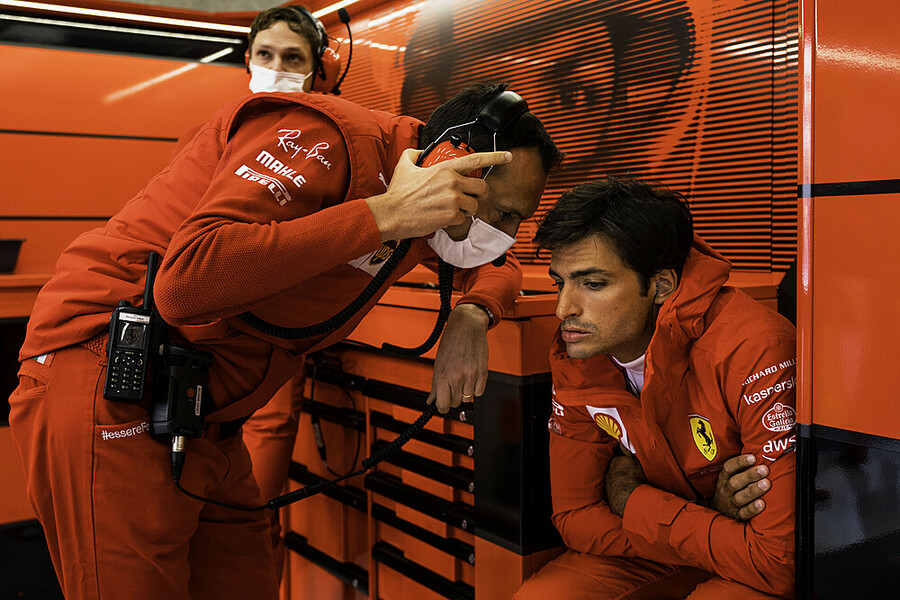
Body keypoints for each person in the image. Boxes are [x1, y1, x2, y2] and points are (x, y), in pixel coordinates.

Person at [7, 79, 562, 600]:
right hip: (113, 375)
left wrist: (473, 314)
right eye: (503, 215)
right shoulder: (330, 139)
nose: (504, 235)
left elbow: (498, 266)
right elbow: (187, 284)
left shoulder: (433, 214)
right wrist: (383, 215)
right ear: (448, 161)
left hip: (202, 413)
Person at [515, 177, 796, 599]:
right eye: (560, 283)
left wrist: (632, 500)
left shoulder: (754, 348)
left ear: (660, 285)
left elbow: (777, 563)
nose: (563, 309)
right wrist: (706, 516)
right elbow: (575, 518)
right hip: (712, 540)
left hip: (748, 562)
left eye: (593, 284)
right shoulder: (580, 353)